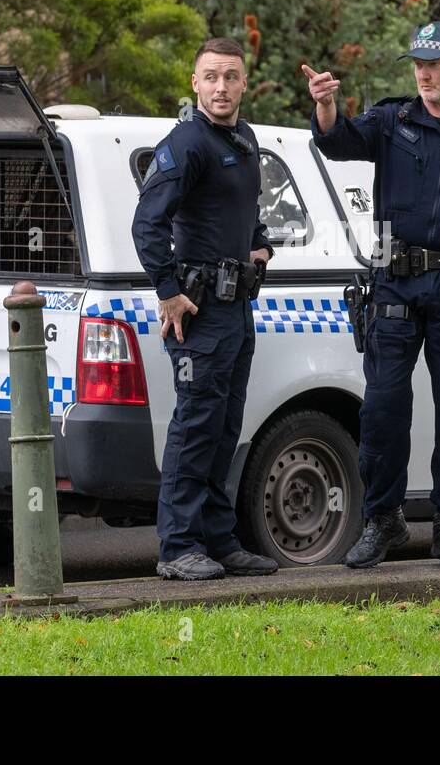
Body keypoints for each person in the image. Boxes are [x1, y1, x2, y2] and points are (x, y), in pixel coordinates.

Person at [303, 20, 440, 568]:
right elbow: (337, 143)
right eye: (418, 64)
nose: (424, 73)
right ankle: (383, 520)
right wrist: (327, 106)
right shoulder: (394, 119)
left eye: (434, 63)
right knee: (382, 410)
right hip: (396, 282)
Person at [132, 36, 279, 581]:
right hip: (199, 316)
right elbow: (146, 224)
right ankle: (177, 547)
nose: (221, 86)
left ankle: (218, 541)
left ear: (244, 82)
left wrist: (260, 241)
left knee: (224, 429)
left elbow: (246, 210)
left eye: (231, 76)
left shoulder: (243, 138)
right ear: (194, 83)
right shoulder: (186, 143)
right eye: (211, 76)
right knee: (194, 428)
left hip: (237, 310)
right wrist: (168, 291)